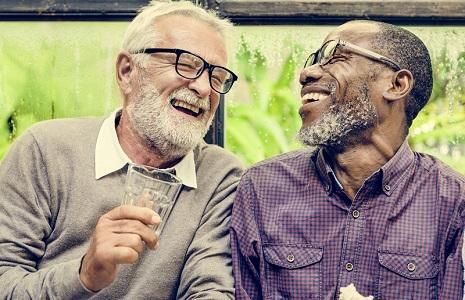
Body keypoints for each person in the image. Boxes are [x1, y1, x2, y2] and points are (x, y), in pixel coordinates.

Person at [0, 1, 243, 299]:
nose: (204, 88)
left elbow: (210, 289)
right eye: (186, 64)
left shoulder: (221, 176)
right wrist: (84, 275)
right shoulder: (45, 150)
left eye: (217, 77)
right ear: (127, 71)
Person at [231, 20, 465, 299]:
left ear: (397, 84)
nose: (306, 73)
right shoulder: (262, 187)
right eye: (315, 61)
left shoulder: (453, 203)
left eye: (336, 57)